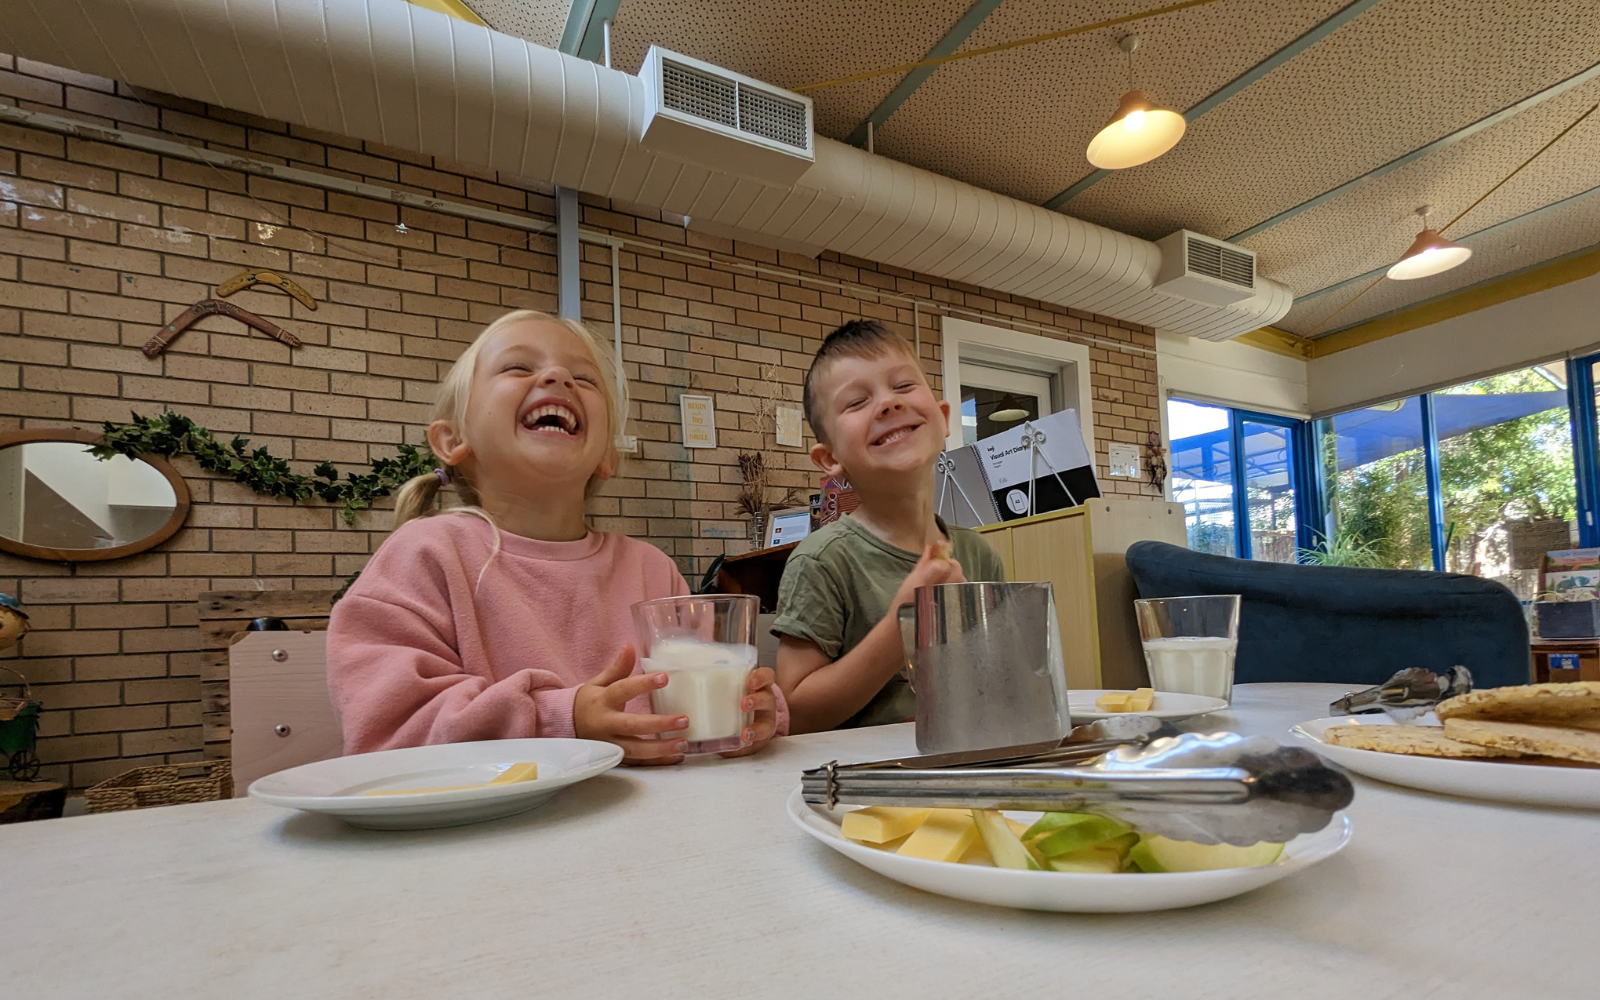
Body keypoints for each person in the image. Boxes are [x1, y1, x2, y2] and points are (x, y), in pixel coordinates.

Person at [327, 310, 784, 762]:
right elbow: (387, 731)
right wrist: (563, 722)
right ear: (452, 440)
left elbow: (710, 696)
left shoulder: (651, 570)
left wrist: (756, 712)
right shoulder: (424, 554)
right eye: (518, 367)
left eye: (584, 378)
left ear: (607, 456)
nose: (558, 376)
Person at [772, 320, 1006, 733]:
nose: (888, 404)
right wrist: (905, 624)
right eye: (857, 401)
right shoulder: (822, 562)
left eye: (902, 387)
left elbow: (1000, 682)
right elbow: (796, 713)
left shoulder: (979, 555)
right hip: (859, 787)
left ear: (944, 418)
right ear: (829, 459)